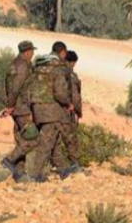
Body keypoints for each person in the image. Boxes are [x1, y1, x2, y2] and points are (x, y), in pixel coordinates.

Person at [24, 50, 73, 182]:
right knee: (46, 143)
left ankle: (63, 170)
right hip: (51, 112)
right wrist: (68, 104)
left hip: (37, 111)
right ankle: (34, 174)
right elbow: (60, 94)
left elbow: (27, 93)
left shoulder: (36, 72)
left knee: (54, 142)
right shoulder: (56, 71)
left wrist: (32, 110)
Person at [1, 40, 37, 181]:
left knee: (22, 140)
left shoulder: (14, 64)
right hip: (22, 108)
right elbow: (15, 88)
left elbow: (8, 87)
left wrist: (10, 106)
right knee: (33, 139)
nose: (33, 54)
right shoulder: (23, 66)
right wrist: (11, 106)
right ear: (27, 52)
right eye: (32, 51)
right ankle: (9, 160)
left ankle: (19, 173)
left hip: (17, 107)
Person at [51, 50, 83, 178]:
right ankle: (74, 165)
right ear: (72, 62)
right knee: (70, 139)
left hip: (51, 112)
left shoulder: (54, 71)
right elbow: (75, 96)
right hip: (65, 112)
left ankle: (58, 165)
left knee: (54, 140)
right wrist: (78, 110)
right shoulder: (69, 75)